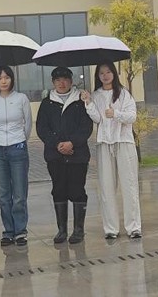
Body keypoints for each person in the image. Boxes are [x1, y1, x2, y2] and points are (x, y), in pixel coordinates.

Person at [82, 61, 142, 239]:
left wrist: (116, 114)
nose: (105, 76)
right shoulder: (96, 95)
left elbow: (132, 117)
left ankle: (134, 227)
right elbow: (97, 119)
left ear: (114, 74)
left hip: (123, 142)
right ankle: (111, 229)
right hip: (104, 144)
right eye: (101, 73)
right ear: (97, 76)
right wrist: (88, 102)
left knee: (129, 185)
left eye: (108, 72)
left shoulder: (123, 94)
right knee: (106, 187)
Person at [35, 66, 93, 244]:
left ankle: (78, 230)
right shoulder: (47, 103)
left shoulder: (80, 101)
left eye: (65, 79)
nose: (62, 83)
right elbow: (42, 128)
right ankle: (62, 230)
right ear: (53, 82)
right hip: (55, 156)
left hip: (77, 155)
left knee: (77, 190)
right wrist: (57, 144)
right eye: (58, 80)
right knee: (58, 190)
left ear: (71, 81)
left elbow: (86, 127)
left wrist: (72, 143)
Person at [0, 65, 33, 246]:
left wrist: (20, 140)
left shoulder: (21, 99)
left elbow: (28, 124)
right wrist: (0, 140)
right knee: (3, 194)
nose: (3, 81)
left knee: (19, 193)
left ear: (12, 79)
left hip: (18, 148)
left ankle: (20, 231)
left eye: (6, 77)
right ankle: (8, 231)